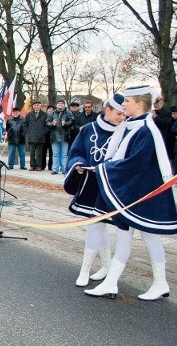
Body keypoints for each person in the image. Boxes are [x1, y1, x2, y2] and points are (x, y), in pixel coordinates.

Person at [85, 85, 177, 300]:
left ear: (139, 103)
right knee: (126, 235)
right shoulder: (134, 126)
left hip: (144, 195)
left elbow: (134, 164)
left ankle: (160, 283)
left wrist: (103, 169)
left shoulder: (145, 129)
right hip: (135, 193)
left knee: (149, 238)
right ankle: (113, 283)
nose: (123, 104)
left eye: (126, 100)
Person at [63, 94, 126, 287]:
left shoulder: (125, 132)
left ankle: (85, 270)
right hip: (90, 185)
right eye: (118, 113)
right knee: (98, 226)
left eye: (124, 114)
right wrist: (78, 165)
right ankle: (105, 266)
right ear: (108, 110)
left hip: (112, 187)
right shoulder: (88, 129)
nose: (122, 117)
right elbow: (76, 152)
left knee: (96, 225)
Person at [46, 100, 74, 175]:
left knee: (64, 154)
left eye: (62, 103)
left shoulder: (68, 113)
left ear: (64, 105)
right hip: (54, 136)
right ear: (56, 105)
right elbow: (47, 122)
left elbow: (72, 121)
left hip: (65, 136)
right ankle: (55, 169)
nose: (60, 104)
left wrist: (66, 123)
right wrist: (52, 124)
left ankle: (64, 169)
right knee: (55, 153)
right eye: (59, 103)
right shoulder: (52, 113)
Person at [24, 101, 47, 171]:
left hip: (40, 136)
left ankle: (38, 166)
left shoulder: (44, 115)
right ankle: (32, 165)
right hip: (31, 136)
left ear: (40, 106)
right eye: (35, 105)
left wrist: (43, 132)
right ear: (33, 106)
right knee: (32, 152)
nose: (36, 106)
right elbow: (25, 124)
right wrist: (28, 132)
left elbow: (47, 125)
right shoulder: (29, 114)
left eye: (38, 105)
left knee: (39, 153)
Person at [41, 105, 55, 170]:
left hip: (52, 137)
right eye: (49, 109)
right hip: (44, 137)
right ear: (46, 110)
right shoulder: (43, 116)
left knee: (52, 153)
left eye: (52, 109)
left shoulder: (55, 117)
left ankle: (51, 166)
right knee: (43, 152)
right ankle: (42, 165)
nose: (50, 110)